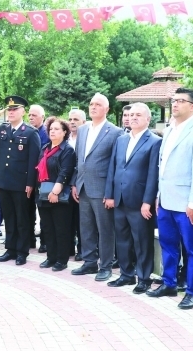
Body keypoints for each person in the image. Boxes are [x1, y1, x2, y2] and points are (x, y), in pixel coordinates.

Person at [147, 88, 193, 310]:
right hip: (165, 201)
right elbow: (162, 167)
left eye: (181, 101)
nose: (175, 104)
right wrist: (158, 195)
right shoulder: (168, 130)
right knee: (168, 246)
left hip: (186, 204)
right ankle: (169, 283)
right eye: (173, 101)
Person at [104, 103, 161, 293]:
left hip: (139, 202)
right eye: (131, 114)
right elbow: (113, 168)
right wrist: (109, 194)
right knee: (122, 239)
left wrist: (147, 201)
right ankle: (126, 274)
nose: (133, 117)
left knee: (142, 241)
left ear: (147, 119)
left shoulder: (154, 141)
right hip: (119, 199)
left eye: (139, 115)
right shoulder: (121, 140)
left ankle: (144, 278)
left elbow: (153, 175)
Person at [0, 96, 41, 266]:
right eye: (9, 110)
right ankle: (11, 249)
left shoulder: (30, 132)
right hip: (4, 181)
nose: (12, 112)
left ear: (23, 111)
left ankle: (22, 251)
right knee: (9, 217)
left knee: (22, 218)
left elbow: (33, 161)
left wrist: (30, 183)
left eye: (15, 109)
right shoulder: (2, 130)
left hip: (21, 183)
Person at [70, 93, 124, 281]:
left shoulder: (115, 132)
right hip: (83, 186)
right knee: (86, 227)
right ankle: (89, 262)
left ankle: (106, 265)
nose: (93, 107)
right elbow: (78, 159)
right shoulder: (83, 130)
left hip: (102, 189)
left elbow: (116, 165)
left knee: (105, 229)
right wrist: (74, 183)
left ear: (107, 109)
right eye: (91, 104)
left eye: (98, 104)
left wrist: (110, 193)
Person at [36, 118, 76, 272]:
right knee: (48, 228)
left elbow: (65, 172)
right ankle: (51, 257)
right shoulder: (45, 148)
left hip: (59, 195)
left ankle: (61, 259)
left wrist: (55, 192)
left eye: (57, 129)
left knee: (61, 229)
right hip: (44, 194)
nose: (53, 131)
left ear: (65, 132)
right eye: (51, 129)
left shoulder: (67, 150)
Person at [28, 104, 49, 253]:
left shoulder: (47, 133)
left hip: (43, 180)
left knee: (43, 211)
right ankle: (29, 239)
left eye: (34, 115)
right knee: (27, 211)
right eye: (29, 115)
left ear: (42, 117)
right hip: (28, 179)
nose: (31, 118)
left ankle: (45, 241)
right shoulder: (27, 132)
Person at [67, 109, 87, 261]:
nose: (72, 122)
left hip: (80, 186)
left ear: (84, 123)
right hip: (64, 186)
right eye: (70, 119)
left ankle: (82, 249)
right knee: (69, 219)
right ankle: (69, 247)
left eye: (76, 119)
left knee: (82, 221)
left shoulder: (87, 139)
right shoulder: (65, 138)